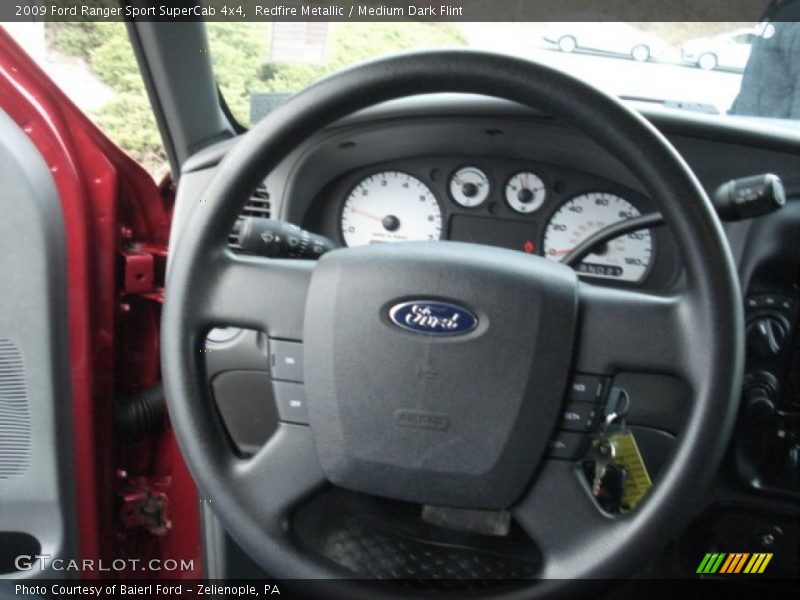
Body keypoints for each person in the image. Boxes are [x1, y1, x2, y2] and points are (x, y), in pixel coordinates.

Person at [730, 0, 800, 119]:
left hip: (773, 129)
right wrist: (733, 113)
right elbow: (754, 79)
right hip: (745, 124)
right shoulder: (775, 8)